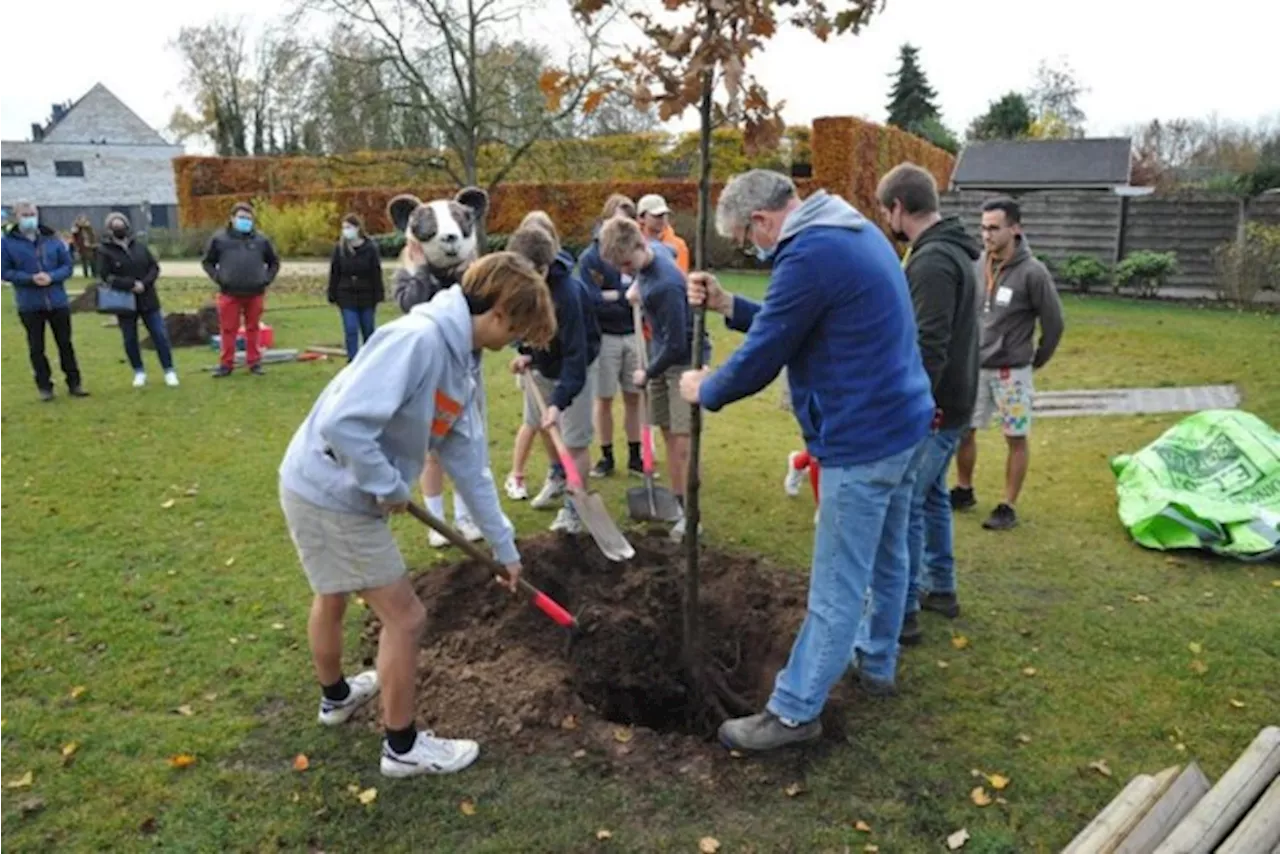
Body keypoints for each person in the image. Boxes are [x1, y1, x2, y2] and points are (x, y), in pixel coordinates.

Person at [680, 170, 934, 752]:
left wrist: (707, 388)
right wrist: (727, 304)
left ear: (763, 220)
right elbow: (797, 316)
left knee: (837, 584)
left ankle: (794, 712)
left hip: (861, 438)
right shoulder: (847, 227)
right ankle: (877, 663)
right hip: (904, 425)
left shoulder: (810, 251)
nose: (754, 250)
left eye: (749, 240)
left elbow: (767, 351)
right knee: (891, 555)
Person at [278, 251, 556, 779]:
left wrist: (505, 547)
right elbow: (344, 423)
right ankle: (402, 748)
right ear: (496, 312)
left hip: (321, 481)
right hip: (330, 489)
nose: (515, 344)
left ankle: (336, 698)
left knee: (333, 590)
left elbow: (469, 463)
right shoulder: (419, 341)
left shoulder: (460, 358)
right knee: (407, 617)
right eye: (517, 329)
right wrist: (387, 485)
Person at [875, 163, 981, 645]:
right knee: (935, 497)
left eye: (885, 211)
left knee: (909, 506)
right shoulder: (952, 250)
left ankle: (905, 610)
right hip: (955, 400)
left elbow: (930, 343)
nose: (886, 222)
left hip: (937, 408)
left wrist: (914, 406)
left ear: (899, 207)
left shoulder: (933, 261)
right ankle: (943, 588)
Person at [952, 197, 1065, 531]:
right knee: (963, 431)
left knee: (1015, 437)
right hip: (976, 367)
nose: (986, 235)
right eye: (983, 227)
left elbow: (1055, 323)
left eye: (994, 228)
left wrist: (1034, 360)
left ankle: (1007, 505)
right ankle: (963, 489)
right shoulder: (977, 263)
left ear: (1015, 229)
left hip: (1011, 372)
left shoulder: (1033, 273)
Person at [600, 215, 707, 541]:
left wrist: (647, 372)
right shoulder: (655, 254)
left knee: (683, 443)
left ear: (639, 246)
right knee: (667, 435)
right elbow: (662, 254)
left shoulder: (665, 286)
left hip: (682, 362)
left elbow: (677, 344)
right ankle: (676, 504)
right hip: (660, 354)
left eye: (628, 265)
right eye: (621, 267)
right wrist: (636, 286)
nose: (625, 271)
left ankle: (692, 516)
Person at [506, 219, 601, 533]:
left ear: (544, 268)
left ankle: (576, 508)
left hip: (577, 371)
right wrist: (526, 353)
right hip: (543, 368)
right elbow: (523, 327)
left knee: (574, 441)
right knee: (544, 428)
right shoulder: (525, 284)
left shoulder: (569, 295)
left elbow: (577, 355)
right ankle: (559, 478)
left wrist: (560, 400)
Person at [576, 194, 646, 482]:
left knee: (634, 397)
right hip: (605, 336)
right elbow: (591, 299)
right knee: (603, 399)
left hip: (633, 332)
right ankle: (606, 456)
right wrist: (620, 297)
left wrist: (616, 298)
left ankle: (635, 455)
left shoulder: (639, 251)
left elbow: (644, 291)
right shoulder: (591, 257)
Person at [0, 201, 89, 401]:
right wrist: (29, 279)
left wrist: (52, 276)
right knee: (36, 347)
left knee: (65, 344)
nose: (29, 217)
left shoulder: (52, 239)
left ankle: (74, 383)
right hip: (29, 304)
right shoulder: (6, 243)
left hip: (57, 302)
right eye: (25, 214)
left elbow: (66, 266)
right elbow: (4, 271)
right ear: (17, 217)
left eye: (32, 213)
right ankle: (44, 386)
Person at [96, 212, 180, 389]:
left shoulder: (140, 247)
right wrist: (129, 285)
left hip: (148, 298)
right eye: (115, 226)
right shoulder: (105, 251)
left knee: (159, 334)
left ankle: (169, 370)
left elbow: (154, 267)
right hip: (124, 301)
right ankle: (139, 371)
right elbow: (105, 275)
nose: (119, 229)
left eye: (122, 225)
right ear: (109, 229)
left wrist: (144, 283)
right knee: (130, 338)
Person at [201, 202, 280, 378]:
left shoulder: (261, 240)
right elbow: (207, 262)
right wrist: (219, 277)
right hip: (229, 293)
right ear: (232, 219)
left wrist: (266, 280)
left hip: (255, 292)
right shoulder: (220, 239)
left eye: (248, 218)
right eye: (241, 218)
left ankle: (254, 363)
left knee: (253, 328)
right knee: (228, 329)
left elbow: (274, 262)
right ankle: (226, 364)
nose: (245, 221)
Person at [328, 214, 385, 361]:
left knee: (368, 330)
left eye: (349, 227)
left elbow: (376, 272)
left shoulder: (370, 248)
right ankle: (352, 361)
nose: (345, 231)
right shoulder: (340, 249)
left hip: (367, 295)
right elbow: (335, 272)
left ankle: (370, 360)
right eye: (344, 228)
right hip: (346, 294)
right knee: (351, 329)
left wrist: (379, 294)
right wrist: (332, 293)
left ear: (358, 228)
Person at [637, 194, 690, 274]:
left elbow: (681, 277)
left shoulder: (679, 245)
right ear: (641, 218)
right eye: (657, 216)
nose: (662, 219)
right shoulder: (631, 243)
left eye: (664, 215)